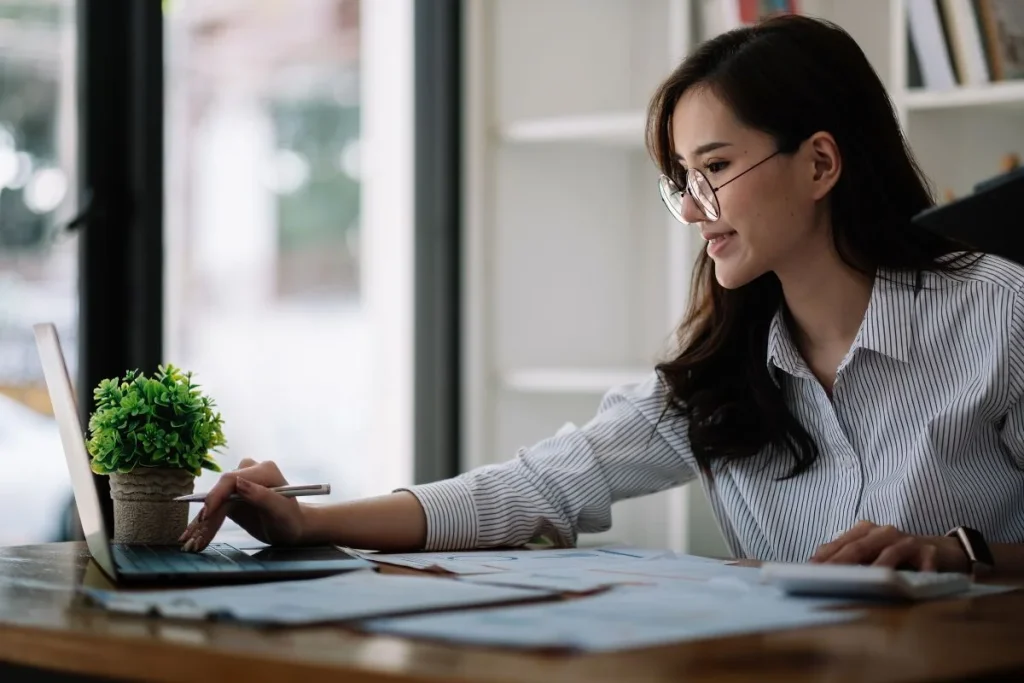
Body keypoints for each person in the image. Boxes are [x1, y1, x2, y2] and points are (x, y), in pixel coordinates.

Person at [180, 15, 1024, 574]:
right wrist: (308, 523)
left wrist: (958, 554)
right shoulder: (721, 372)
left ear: (820, 164)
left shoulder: (1000, 315)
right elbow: (531, 488)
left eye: (718, 169)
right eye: (683, 180)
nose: (694, 207)